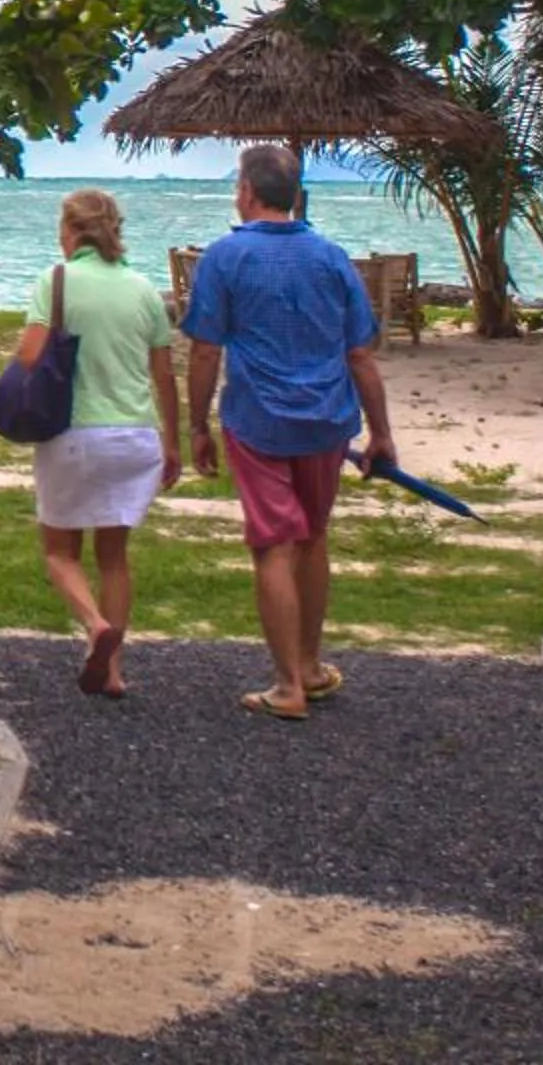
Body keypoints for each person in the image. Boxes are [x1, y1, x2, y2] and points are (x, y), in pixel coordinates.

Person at [181, 143, 399, 721]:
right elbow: (361, 354)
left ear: (248, 192)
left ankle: (287, 685)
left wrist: (195, 423)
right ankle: (308, 664)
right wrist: (381, 432)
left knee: (273, 543)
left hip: (258, 420)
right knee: (313, 537)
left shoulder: (225, 257)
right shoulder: (332, 258)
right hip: (327, 418)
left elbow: (205, 349)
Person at [10, 188, 181, 699]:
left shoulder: (55, 281)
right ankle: (112, 670)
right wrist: (173, 443)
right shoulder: (144, 288)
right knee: (114, 557)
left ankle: (94, 626)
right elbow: (163, 375)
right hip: (135, 437)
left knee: (60, 551)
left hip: (74, 433)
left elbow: (29, 353)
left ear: (70, 230)